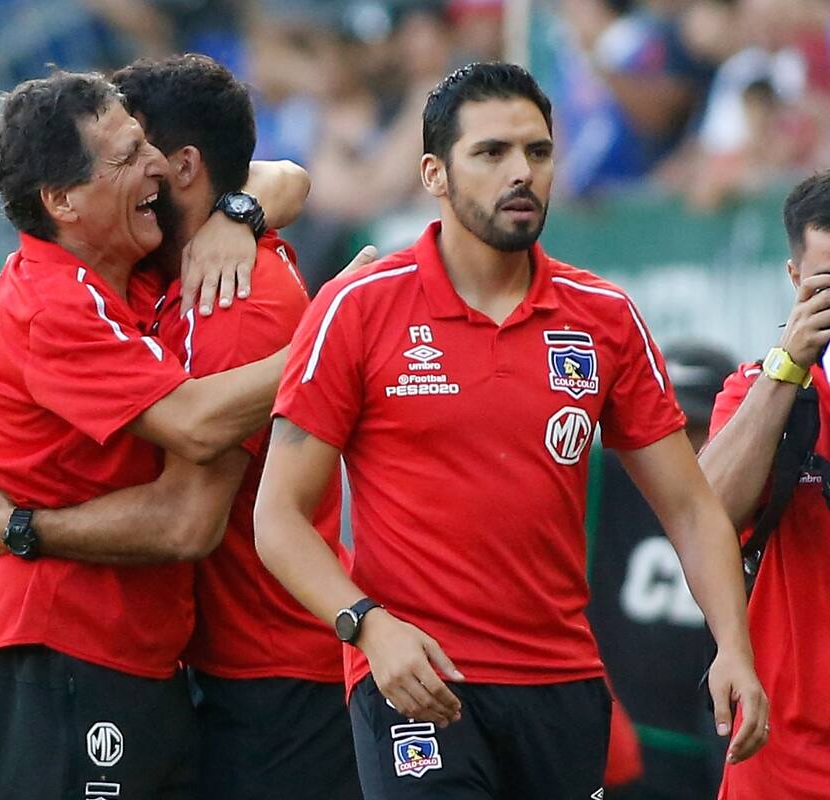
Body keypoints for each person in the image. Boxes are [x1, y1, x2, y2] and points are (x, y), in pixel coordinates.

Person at [253, 62, 768, 800]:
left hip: (561, 685)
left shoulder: (605, 318)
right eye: (491, 153)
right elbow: (276, 518)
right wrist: (367, 627)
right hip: (416, 679)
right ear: (435, 173)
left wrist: (732, 647)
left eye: (538, 152)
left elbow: (690, 508)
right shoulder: (357, 309)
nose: (520, 173)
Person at [0, 54, 362, 800]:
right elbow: (189, 468)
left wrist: (243, 213)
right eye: (125, 154)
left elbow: (283, 175)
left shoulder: (201, 286)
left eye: (150, 148)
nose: (151, 167)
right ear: (64, 201)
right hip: (70, 656)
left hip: (255, 674)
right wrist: (338, 337)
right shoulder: (66, 302)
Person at [699, 170, 830, 800]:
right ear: (795, 281)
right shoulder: (763, 393)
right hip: (785, 756)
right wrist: (788, 368)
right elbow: (704, 515)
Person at [588, 342, 739, 800]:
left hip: (715, 748)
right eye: (669, 428)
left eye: (697, 429)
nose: (679, 447)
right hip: (619, 749)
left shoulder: (756, 490)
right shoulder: (605, 478)